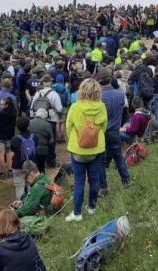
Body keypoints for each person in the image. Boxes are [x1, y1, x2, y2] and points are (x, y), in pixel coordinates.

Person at [65, 79, 107, 222]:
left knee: (79, 181)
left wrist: (74, 139)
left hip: (78, 149)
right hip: (96, 148)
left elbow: (68, 127)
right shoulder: (101, 107)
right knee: (94, 179)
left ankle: (77, 213)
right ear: (97, 92)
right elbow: (104, 127)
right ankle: (92, 207)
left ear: (81, 90)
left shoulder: (75, 107)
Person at [97, 68, 130, 193]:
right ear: (111, 79)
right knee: (119, 157)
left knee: (100, 160)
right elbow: (125, 111)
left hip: (101, 132)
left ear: (99, 82)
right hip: (115, 131)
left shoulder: (98, 97)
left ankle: (103, 187)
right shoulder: (121, 93)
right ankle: (126, 182)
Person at [9, 116, 38, 199]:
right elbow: (36, 146)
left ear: (17, 127)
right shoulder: (34, 137)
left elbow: (12, 149)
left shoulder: (15, 139)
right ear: (28, 126)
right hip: (31, 164)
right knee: (31, 185)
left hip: (18, 165)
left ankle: (20, 206)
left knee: (19, 187)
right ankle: (32, 204)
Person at [0, 96, 17, 179]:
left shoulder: (0, 114)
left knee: (0, 154)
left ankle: (1, 172)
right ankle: (10, 170)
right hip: (10, 135)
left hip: (0, 136)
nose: (0, 105)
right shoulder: (14, 112)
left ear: (7, 105)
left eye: (2, 104)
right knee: (9, 152)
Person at [29, 109, 53, 174]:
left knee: (32, 169)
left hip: (30, 149)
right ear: (45, 116)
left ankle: (32, 182)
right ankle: (42, 182)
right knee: (41, 168)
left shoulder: (29, 122)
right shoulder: (47, 125)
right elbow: (51, 140)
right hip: (42, 150)